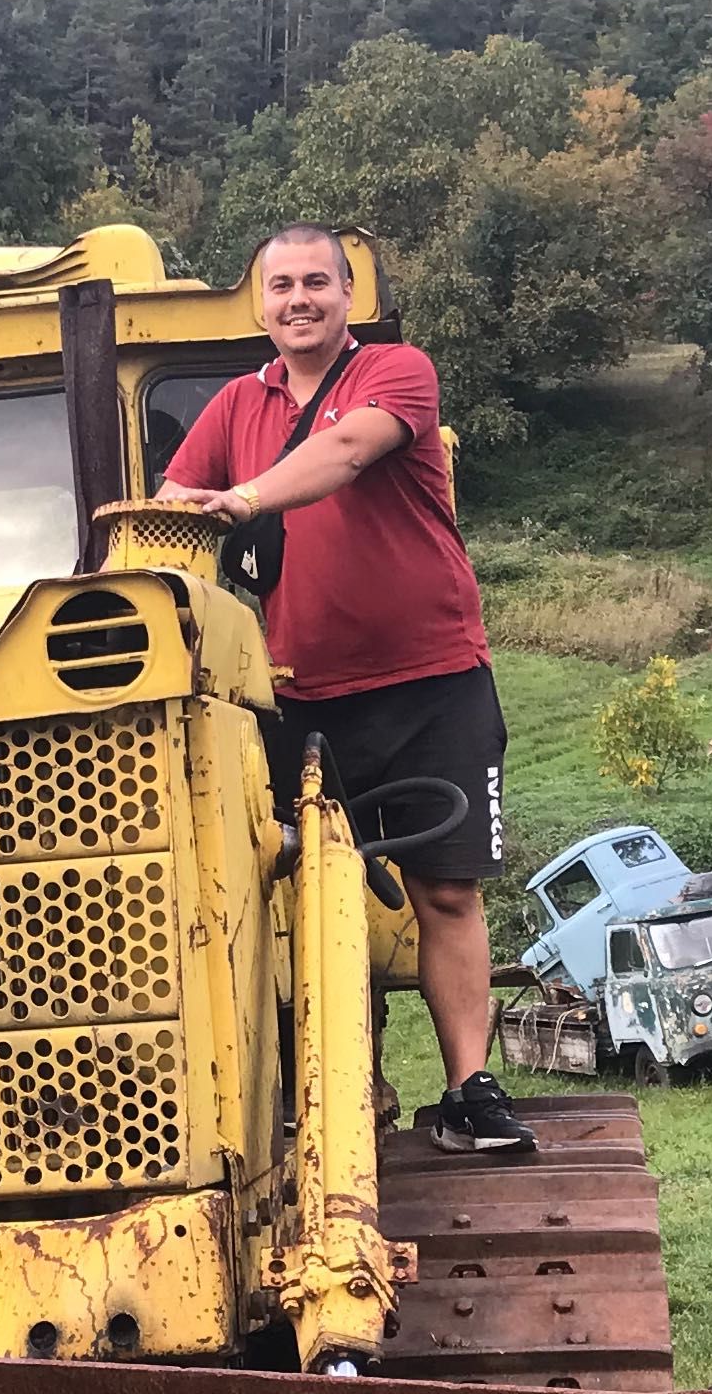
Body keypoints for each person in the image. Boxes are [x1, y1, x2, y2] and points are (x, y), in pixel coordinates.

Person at [153, 222, 534, 1157]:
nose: (298, 300)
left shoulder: (396, 372)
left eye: (316, 282)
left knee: (446, 891)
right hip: (303, 698)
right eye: (280, 286)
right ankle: (337, 1094)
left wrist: (240, 501)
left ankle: (469, 1090)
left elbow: (348, 453)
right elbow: (172, 504)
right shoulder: (236, 406)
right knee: (301, 897)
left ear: (347, 294)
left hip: (433, 679)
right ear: (260, 304)